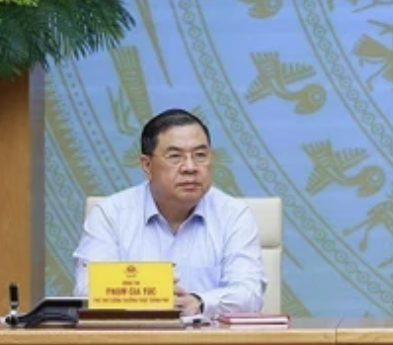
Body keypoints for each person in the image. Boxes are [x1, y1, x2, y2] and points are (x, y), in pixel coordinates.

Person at [73, 109, 265, 319]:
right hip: (135, 337)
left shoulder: (234, 215)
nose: (190, 167)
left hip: (208, 338)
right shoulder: (110, 215)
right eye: (175, 157)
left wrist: (199, 302)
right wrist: (150, 295)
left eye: (200, 155)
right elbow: (88, 291)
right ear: (147, 165)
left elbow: (250, 294)